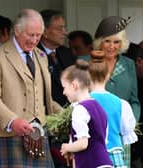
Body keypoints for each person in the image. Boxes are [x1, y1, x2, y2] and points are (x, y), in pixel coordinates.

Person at [0, 9, 62, 168]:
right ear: (17, 31)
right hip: (8, 136)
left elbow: (46, 99)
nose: (35, 40)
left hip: (40, 135)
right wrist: (13, 121)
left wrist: (67, 114)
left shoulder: (42, 56)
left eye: (38, 35)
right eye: (30, 35)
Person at [90, 16, 140, 168]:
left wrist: (131, 124)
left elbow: (134, 100)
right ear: (100, 42)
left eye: (116, 42)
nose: (112, 46)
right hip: (92, 134)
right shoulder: (87, 61)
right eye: (107, 41)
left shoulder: (129, 64)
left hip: (120, 135)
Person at [60, 59, 113, 168]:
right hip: (105, 163)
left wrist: (66, 147)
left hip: (92, 164)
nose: (63, 92)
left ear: (74, 85)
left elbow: (83, 144)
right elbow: (102, 140)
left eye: (64, 87)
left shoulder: (79, 109)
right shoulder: (98, 107)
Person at [38, 9, 75, 107]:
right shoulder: (33, 54)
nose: (65, 32)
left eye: (64, 28)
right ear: (44, 31)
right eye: (59, 29)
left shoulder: (66, 52)